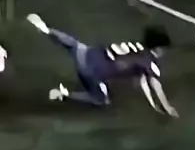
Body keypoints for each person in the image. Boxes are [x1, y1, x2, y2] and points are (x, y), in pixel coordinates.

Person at [25, 13, 178, 117]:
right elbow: (155, 86)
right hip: (91, 72)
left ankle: (47, 31)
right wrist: (167, 107)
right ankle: (64, 94)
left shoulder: (136, 45)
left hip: (87, 53)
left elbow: (144, 80)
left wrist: (152, 103)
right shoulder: (149, 62)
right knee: (101, 101)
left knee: (74, 44)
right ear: (159, 48)